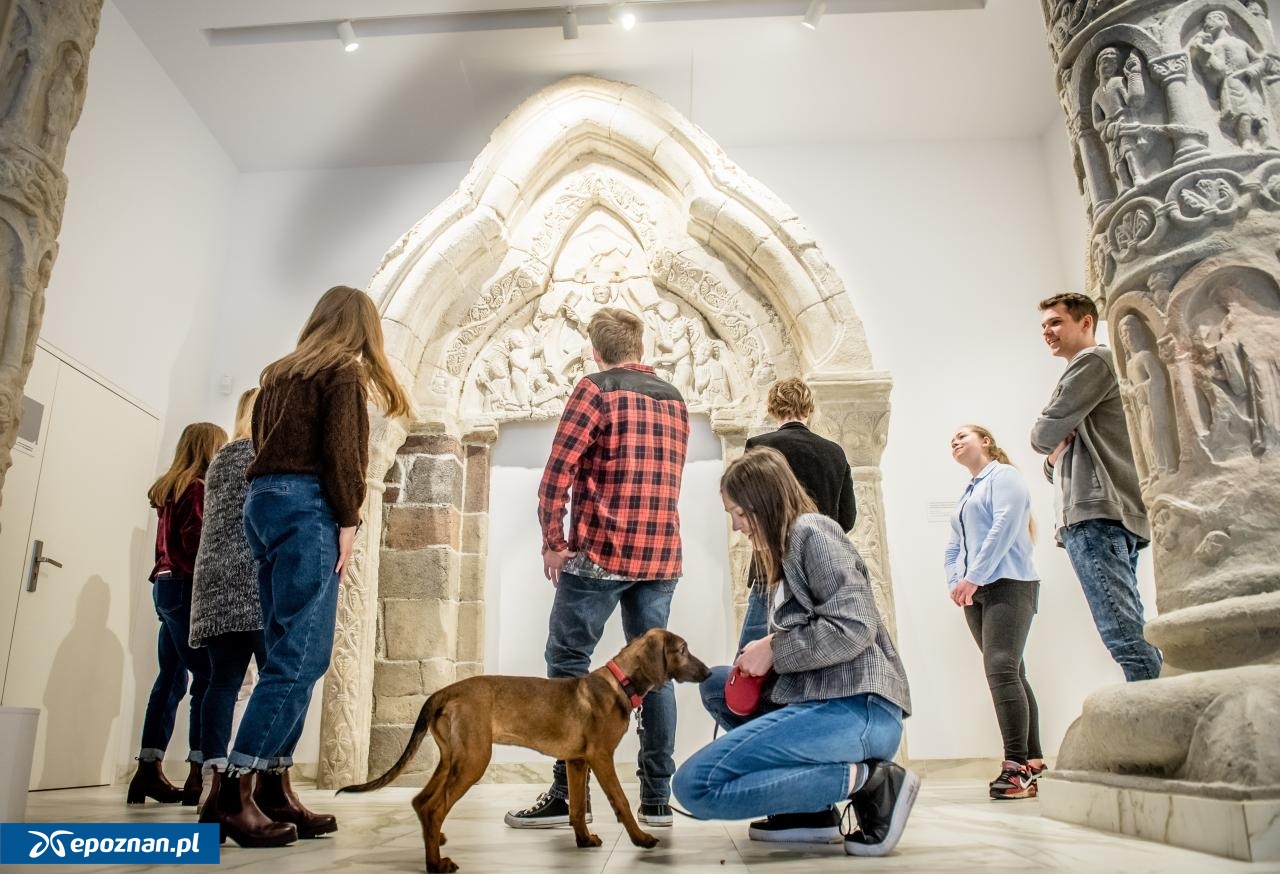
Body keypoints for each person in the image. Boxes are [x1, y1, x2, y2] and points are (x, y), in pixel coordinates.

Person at [206, 285, 412, 848]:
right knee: (300, 659)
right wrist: (349, 519)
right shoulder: (343, 373)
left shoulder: (278, 373)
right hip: (306, 507)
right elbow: (343, 453)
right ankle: (232, 790)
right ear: (364, 328)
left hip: (264, 504)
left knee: (282, 650)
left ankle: (273, 787)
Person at [673, 448, 916, 858]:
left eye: (738, 513)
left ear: (762, 502)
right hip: (828, 703)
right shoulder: (786, 552)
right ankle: (810, 811)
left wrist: (774, 648)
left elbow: (856, 626)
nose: (736, 526)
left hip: (860, 708)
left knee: (695, 786)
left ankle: (871, 781)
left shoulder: (812, 532)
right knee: (717, 684)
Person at [505, 307, 690, 830]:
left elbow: (556, 475)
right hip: (660, 555)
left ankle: (567, 794)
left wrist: (552, 541)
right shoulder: (674, 399)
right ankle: (655, 800)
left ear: (595, 349)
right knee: (657, 675)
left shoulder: (595, 389)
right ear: (640, 344)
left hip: (601, 553)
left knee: (567, 662)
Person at [696, 376, 858, 843]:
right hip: (820, 580)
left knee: (751, 682)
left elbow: (751, 505)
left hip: (770, 575)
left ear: (772, 407)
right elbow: (846, 518)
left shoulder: (760, 444)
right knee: (806, 682)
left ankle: (795, 797)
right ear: (810, 407)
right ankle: (810, 797)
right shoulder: (834, 452)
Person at [1031, 292, 1161, 682]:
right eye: (1043, 326)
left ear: (1086, 322)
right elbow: (1050, 461)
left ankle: (1166, 727)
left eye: (1056, 322)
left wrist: (1050, 446)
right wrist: (1054, 458)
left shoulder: (1093, 361)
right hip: (1105, 512)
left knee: (1122, 633)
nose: (1047, 332)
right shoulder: (1093, 367)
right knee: (1128, 628)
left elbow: (1042, 435)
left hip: (1097, 515)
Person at [126, 422, 227, 807]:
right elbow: (195, 542)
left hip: (163, 586)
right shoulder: (198, 489)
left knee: (169, 678)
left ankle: (147, 769)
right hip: (186, 586)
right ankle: (197, 773)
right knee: (207, 675)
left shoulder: (167, 490)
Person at [946, 425, 1044, 800]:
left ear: (985, 441)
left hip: (1010, 584)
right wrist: (957, 581)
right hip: (975, 590)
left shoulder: (1005, 477)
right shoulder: (967, 493)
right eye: (951, 440)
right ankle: (1032, 759)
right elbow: (954, 544)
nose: (954, 442)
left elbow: (1003, 529)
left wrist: (973, 576)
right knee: (1012, 670)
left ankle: (1016, 768)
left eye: (962, 436)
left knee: (1001, 669)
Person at [189, 388, 267, 800]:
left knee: (222, 683)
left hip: (215, 584)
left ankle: (211, 774)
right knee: (276, 680)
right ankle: (255, 774)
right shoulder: (264, 454)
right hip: (254, 580)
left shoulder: (220, 458)